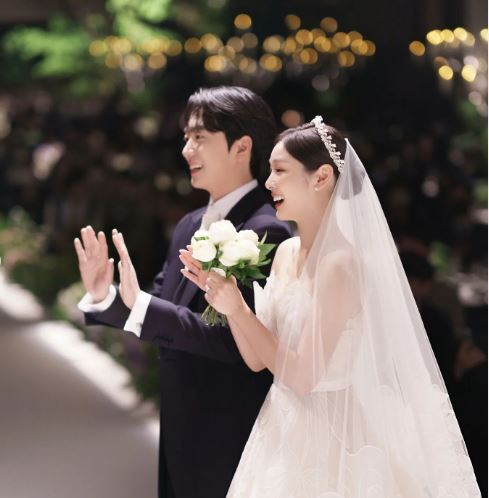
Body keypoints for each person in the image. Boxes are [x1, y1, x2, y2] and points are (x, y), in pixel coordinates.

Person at [181, 117, 481, 497]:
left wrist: (239, 310)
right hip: (280, 430)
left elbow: (304, 377)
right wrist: (227, 302)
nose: (269, 182)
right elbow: (258, 360)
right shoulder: (285, 252)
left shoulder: (341, 264)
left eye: (279, 171)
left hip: (334, 441)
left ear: (321, 177)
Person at [74, 86, 292, 498]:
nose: (186, 149)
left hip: (229, 433)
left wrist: (139, 305)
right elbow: (158, 303)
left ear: (242, 147)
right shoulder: (189, 225)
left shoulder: (266, 231)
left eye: (199, 138)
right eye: (186, 137)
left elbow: (237, 344)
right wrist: (105, 295)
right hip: (180, 429)